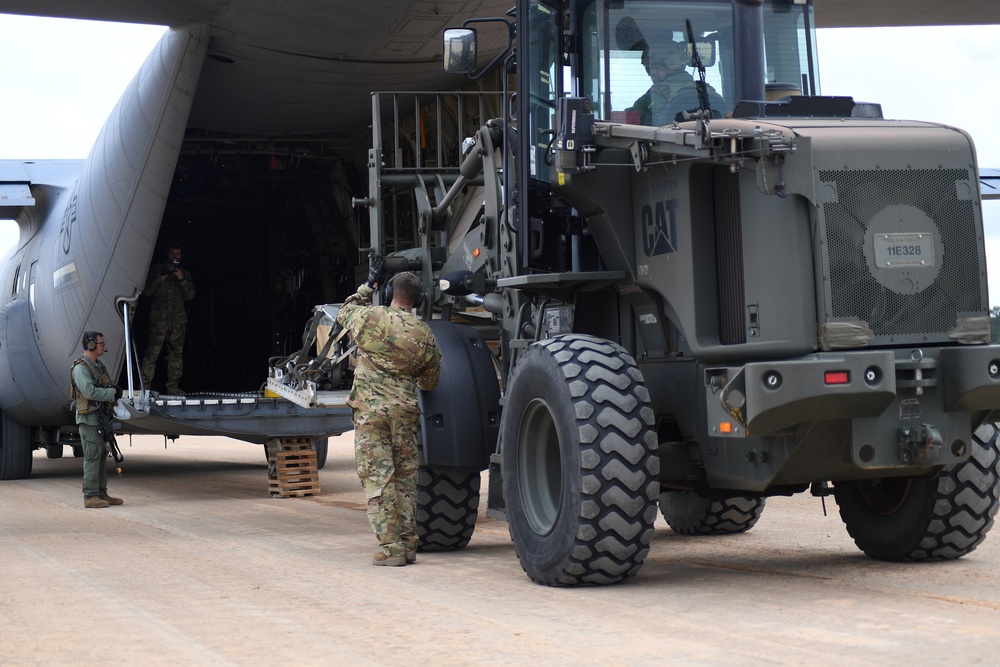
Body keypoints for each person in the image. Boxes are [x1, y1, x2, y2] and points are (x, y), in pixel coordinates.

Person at [337, 253, 441, 567]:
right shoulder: (424, 334)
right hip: (404, 414)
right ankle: (408, 545)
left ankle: (391, 549)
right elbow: (430, 382)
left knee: (378, 481)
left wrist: (369, 284)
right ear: (419, 299)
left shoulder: (370, 318)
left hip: (371, 416)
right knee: (405, 481)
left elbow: (345, 311)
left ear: (388, 294)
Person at [70, 331, 124, 509]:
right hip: (89, 419)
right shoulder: (81, 368)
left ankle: (101, 493)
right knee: (92, 456)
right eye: (101, 343)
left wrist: (113, 389)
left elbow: (104, 385)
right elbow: (89, 392)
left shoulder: (97, 366)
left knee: (101, 455)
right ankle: (90, 496)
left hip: (100, 417)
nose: (104, 346)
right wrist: (111, 393)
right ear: (91, 345)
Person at [629, 39, 726, 126]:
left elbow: (631, 127)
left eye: (651, 68)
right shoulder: (708, 92)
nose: (651, 74)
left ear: (668, 65)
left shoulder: (651, 97)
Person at [141, 243, 195, 395]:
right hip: (159, 322)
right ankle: (145, 388)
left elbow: (190, 295)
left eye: (178, 254)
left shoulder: (184, 273)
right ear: (167, 254)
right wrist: (157, 280)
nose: (175, 257)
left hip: (177, 323)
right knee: (151, 356)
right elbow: (146, 292)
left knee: (175, 356)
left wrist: (182, 279)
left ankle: (173, 387)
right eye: (172, 254)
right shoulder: (156, 271)